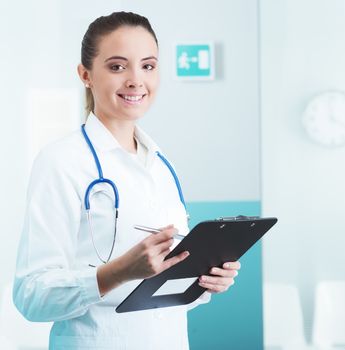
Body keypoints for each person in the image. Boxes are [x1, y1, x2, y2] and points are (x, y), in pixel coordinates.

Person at [13, 11, 241, 350]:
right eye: (118, 67)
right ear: (85, 75)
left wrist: (204, 280)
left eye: (148, 66)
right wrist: (116, 272)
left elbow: (168, 295)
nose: (136, 80)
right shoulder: (61, 161)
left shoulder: (161, 166)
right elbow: (31, 296)